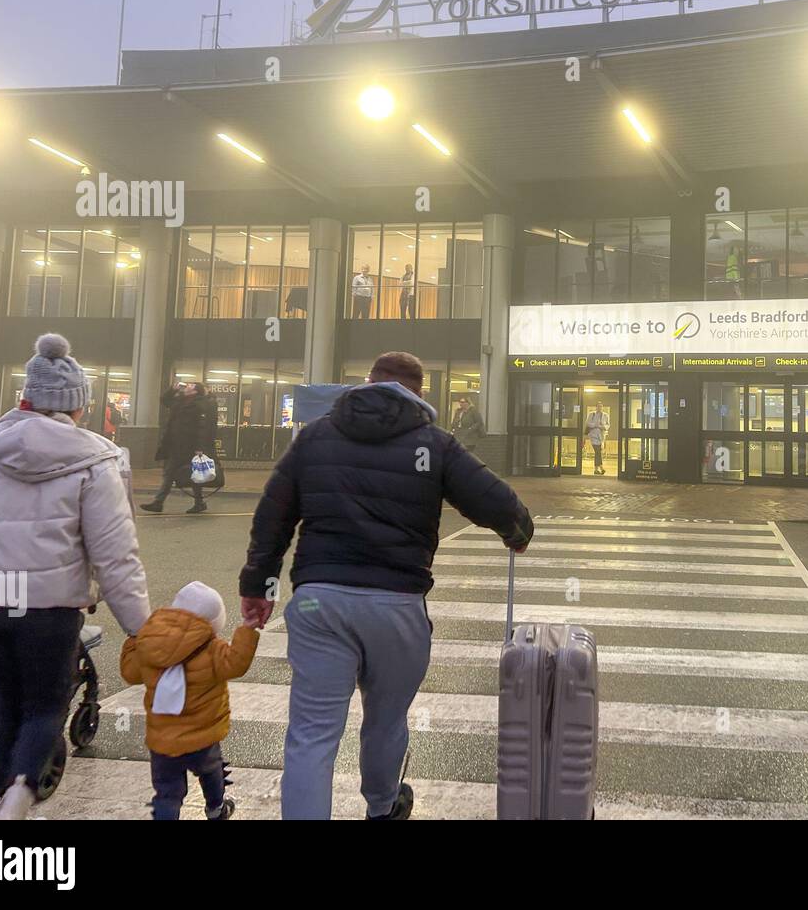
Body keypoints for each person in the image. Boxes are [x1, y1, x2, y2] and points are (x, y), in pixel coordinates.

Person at [238, 350, 532, 821]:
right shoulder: (434, 444)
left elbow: (273, 516)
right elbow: (496, 500)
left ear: (368, 382)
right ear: (418, 393)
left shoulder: (315, 438)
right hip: (396, 605)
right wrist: (516, 532)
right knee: (386, 719)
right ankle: (382, 805)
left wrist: (259, 585)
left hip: (320, 601)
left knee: (312, 732)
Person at [0, 333, 150, 820]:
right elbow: (116, 558)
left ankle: (6, 795)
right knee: (45, 707)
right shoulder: (98, 462)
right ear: (78, 407)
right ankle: (17, 804)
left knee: (8, 702)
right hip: (48, 610)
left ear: (24, 399)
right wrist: (142, 630)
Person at [121, 581, 258, 821]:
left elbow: (130, 674)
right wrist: (247, 629)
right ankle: (216, 808)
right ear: (213, 623)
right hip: (202, 738)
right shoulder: (212, 649)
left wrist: (133, 642)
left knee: (167, 792)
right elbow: (237, 664)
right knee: (212, 772)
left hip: (163, 742)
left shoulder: (149, 642)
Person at [141, 381, 217, 515]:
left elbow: (202, 428)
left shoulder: (199, 405)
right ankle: (197, 503)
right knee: (184, 475)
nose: (187, 386)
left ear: (195, 391)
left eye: (191, 386)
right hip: (175, 445)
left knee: (177, 474)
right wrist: (172, 389)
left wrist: (199, 447)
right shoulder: (180, 401)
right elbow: (164, 401)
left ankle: (159, 503)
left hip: (188, 446)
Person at [584, 401, 611, 475]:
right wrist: (595, 425)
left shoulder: (606, 415)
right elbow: (587, 423)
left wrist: (603, 426)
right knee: (597, 451)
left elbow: (608, 425)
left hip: (601, 436)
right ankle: (601, 468)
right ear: (596, 407)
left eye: (601, 406)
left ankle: (596, 469)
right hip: (593, 436)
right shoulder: (591, 414)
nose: (600, 408)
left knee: (598, 452)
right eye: (598, 406)